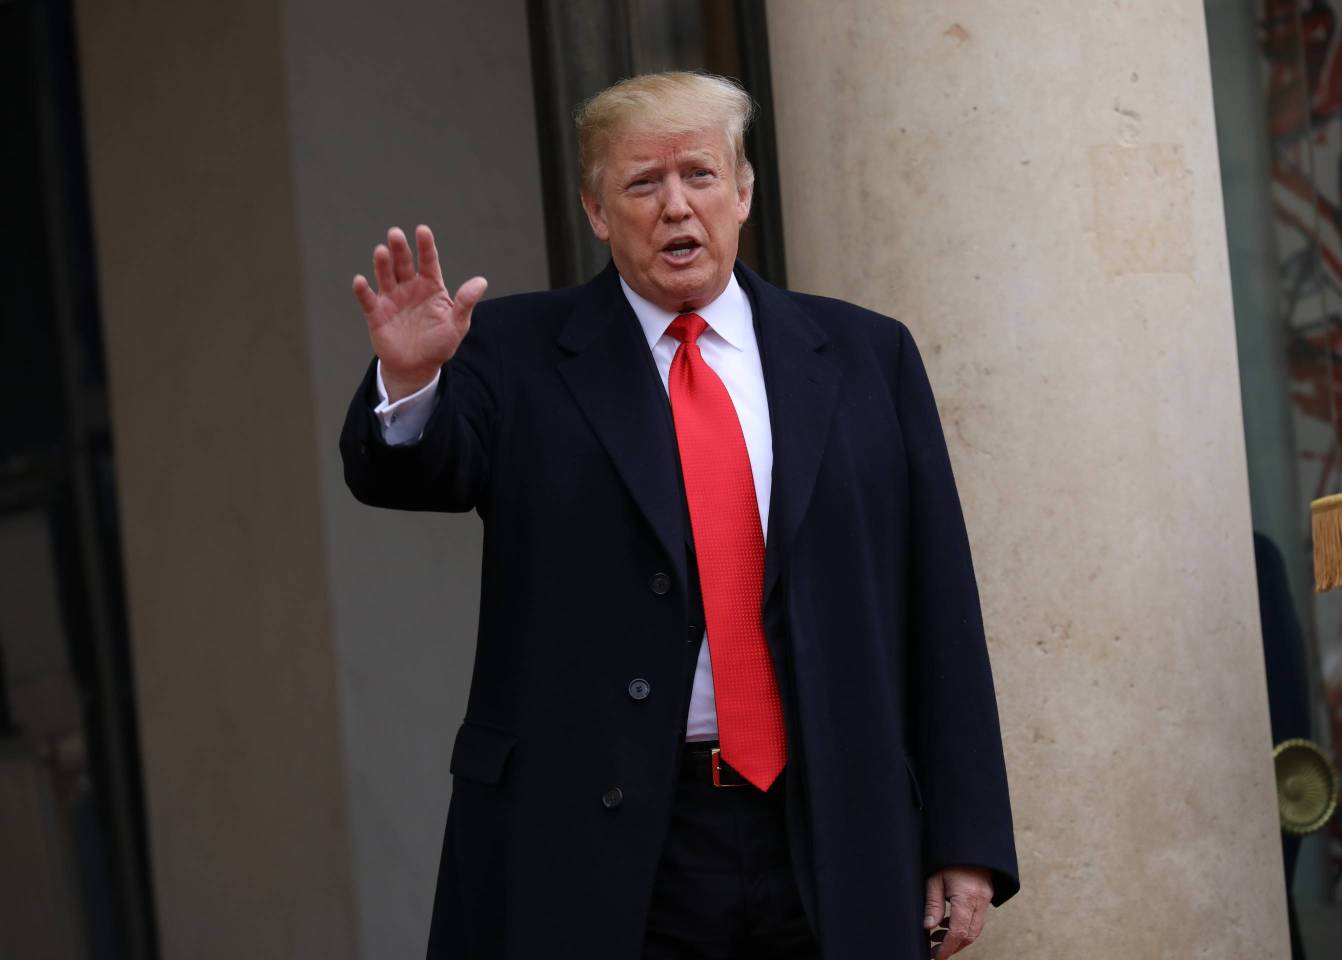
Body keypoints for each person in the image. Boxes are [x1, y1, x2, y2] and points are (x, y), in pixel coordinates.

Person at [340, 71, 1018, 960]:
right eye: (641, 184)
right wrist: (412, 380)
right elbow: (414, 470)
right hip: (598, 844)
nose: (675, 208)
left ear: (742, 192)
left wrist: (964, 841)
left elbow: (939, 604)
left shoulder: (864, 354)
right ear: (594, 209)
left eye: (698, 175)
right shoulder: (513, 353)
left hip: (830, 828)